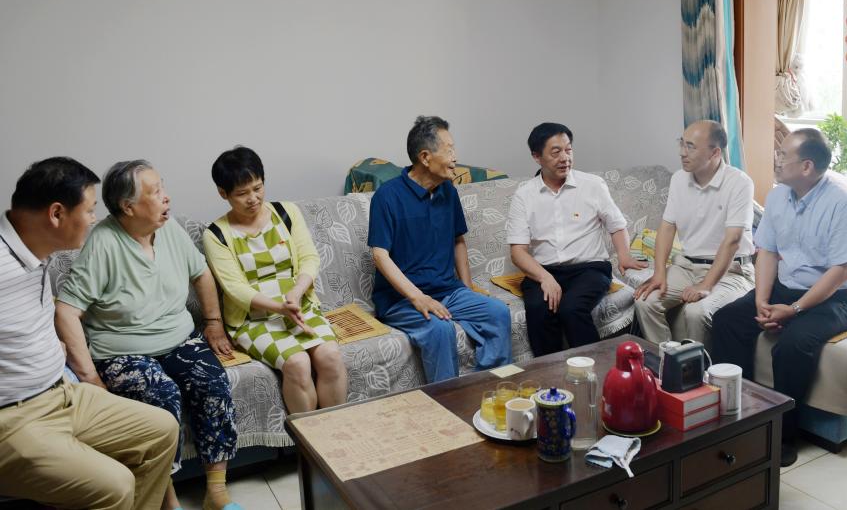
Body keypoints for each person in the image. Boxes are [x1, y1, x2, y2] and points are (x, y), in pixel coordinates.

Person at [55, 160, 243, 510]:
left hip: (179, 338)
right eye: (156, 192)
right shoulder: (103, 243)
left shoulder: (169, 229)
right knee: (161, 396)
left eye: (162, 187)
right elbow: (66, 310)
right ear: (128, 207)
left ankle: (216, 492)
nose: (166, 197)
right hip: (123, 352)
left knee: (212, 382)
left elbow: (201, 273)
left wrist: (214, 321)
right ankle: (167, 499)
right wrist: (90, 377)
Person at [0, 157, 178, 510]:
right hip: (13, 419)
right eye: (90, 209)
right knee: (115, 486)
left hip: (63, 394)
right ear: (56, 214)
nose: (96, 218)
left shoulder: (36, 250)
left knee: (162, 430)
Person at [710, 129, 847, 467]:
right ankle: (737, 415)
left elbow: (840, 272)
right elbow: (767, 251)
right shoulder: (779, 195)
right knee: (726, 320)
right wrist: (761, 301)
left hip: (835, 297)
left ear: (807, 166)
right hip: (785, 287)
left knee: (793, 345)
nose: (776, 160)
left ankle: (781, 437)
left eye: (783, 155)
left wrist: (793, 310)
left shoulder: (841, 203)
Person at [203, 146, 348, 413]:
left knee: (330, 356)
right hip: (254, 320)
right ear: (223, 193)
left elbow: (309, 258)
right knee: (298, 363)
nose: (253, 198)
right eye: (242, 193)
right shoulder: (216, 234)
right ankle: (308, 435)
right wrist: (279, 307)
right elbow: (235, 288)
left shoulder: (286, 213)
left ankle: (336, 429)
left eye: (258, 188)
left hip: (300, 307)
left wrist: (296, 293)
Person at [368, 116, 512, 383]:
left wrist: (467, 288)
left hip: (449, 291)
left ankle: (489, 390)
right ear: (425, 157)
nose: (455, 157)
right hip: (402, 300)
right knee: (440, 329)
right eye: (449, 150)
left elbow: (458, 241)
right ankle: (447, 400)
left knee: (498, 313)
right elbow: (380, 255)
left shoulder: (448, 191)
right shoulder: (387, 197)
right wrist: (417, 297)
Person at [506, 122, 647, 357]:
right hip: (544, 270)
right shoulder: (524, 194)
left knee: (571, 308)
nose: (565, 158)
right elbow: (518, 251)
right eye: (556, 152)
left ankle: (595, 369)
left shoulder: (592, 185)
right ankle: (549, 372)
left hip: (589, 269)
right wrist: (545, 278)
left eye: (568, 150)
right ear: (536, 156)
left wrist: (624, 256)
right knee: (538, 308)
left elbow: (616, 225)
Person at [633, 120, 755, 347]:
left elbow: (733, 240)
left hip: (731, 271)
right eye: (681, 143)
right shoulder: (679, 179)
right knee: (645, 301)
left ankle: (698, 368)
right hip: (686, 266)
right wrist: (659, 273)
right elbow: (667, 227)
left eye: (690, 146)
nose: (682, 152)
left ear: (715, 152)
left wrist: (706, 285)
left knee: (696, 312)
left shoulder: (739, 183)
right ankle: (666, 360)